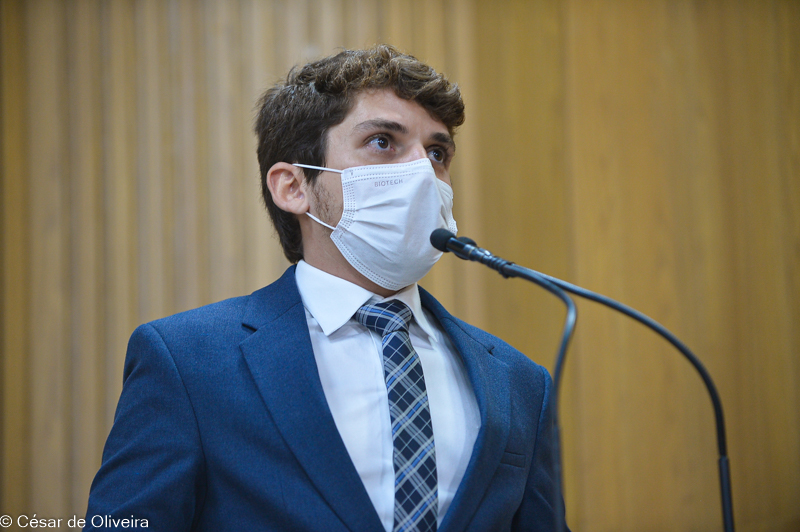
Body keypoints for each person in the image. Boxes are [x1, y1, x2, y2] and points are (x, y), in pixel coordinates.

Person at [85, 45, 565, 532]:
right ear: (293, 187)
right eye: (383, 141)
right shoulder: (188, 363)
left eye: (437, 153)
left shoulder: (519, 382)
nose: (423, 172)